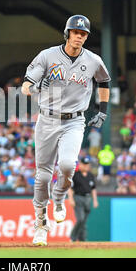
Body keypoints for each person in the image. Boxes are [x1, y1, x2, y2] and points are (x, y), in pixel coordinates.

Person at [21, 15, 111, 246]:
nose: (79, 36)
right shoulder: (47, 55)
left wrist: (103, 109)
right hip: (48, 119)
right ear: (67, 33)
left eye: (83, 34)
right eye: (76, 32)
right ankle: (41, 224)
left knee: (68, 165)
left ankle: (59, 197)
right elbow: (25, 86)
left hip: (74, 121)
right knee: (42, 175)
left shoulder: (93, 60)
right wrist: (35, 86)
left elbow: (104, 82)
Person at [68, 156, 98, 242]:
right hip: (78, 198)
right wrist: (71, 199)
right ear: (80, 164)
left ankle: (82, 239)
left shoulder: (90, 175)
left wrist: (95, 200)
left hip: (88, 199)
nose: (86, 166)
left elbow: (93, 189)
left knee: (84, 221)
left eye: (87, 164)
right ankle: (73, 237)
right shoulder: (75, 175)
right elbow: (70, 188)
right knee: (80, 219)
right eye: (84, 164)